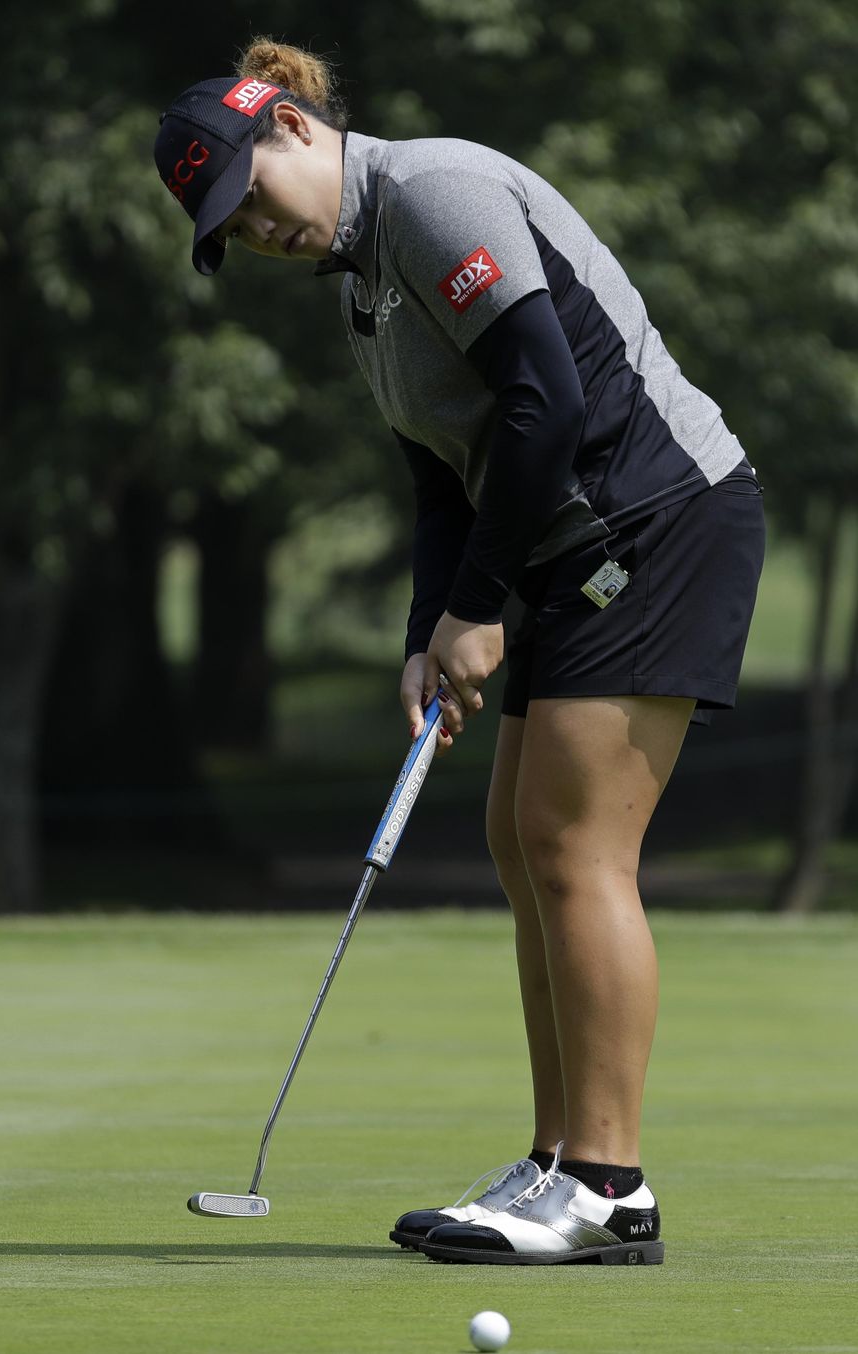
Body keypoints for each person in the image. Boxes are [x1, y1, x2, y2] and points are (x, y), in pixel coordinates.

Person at [154, 40, 765, 1267]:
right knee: (516, 837)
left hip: (656, 517)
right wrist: (430, 631)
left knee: (569, 841)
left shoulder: (431, 193)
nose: (259, 233)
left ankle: (604, 1183)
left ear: (288, 129)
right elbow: (441, 474)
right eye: (229, 230)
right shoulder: (362, 286)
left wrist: (479, 604)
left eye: (252, 199)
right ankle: (555, 1161)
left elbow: (547, 399)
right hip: (561, 544)